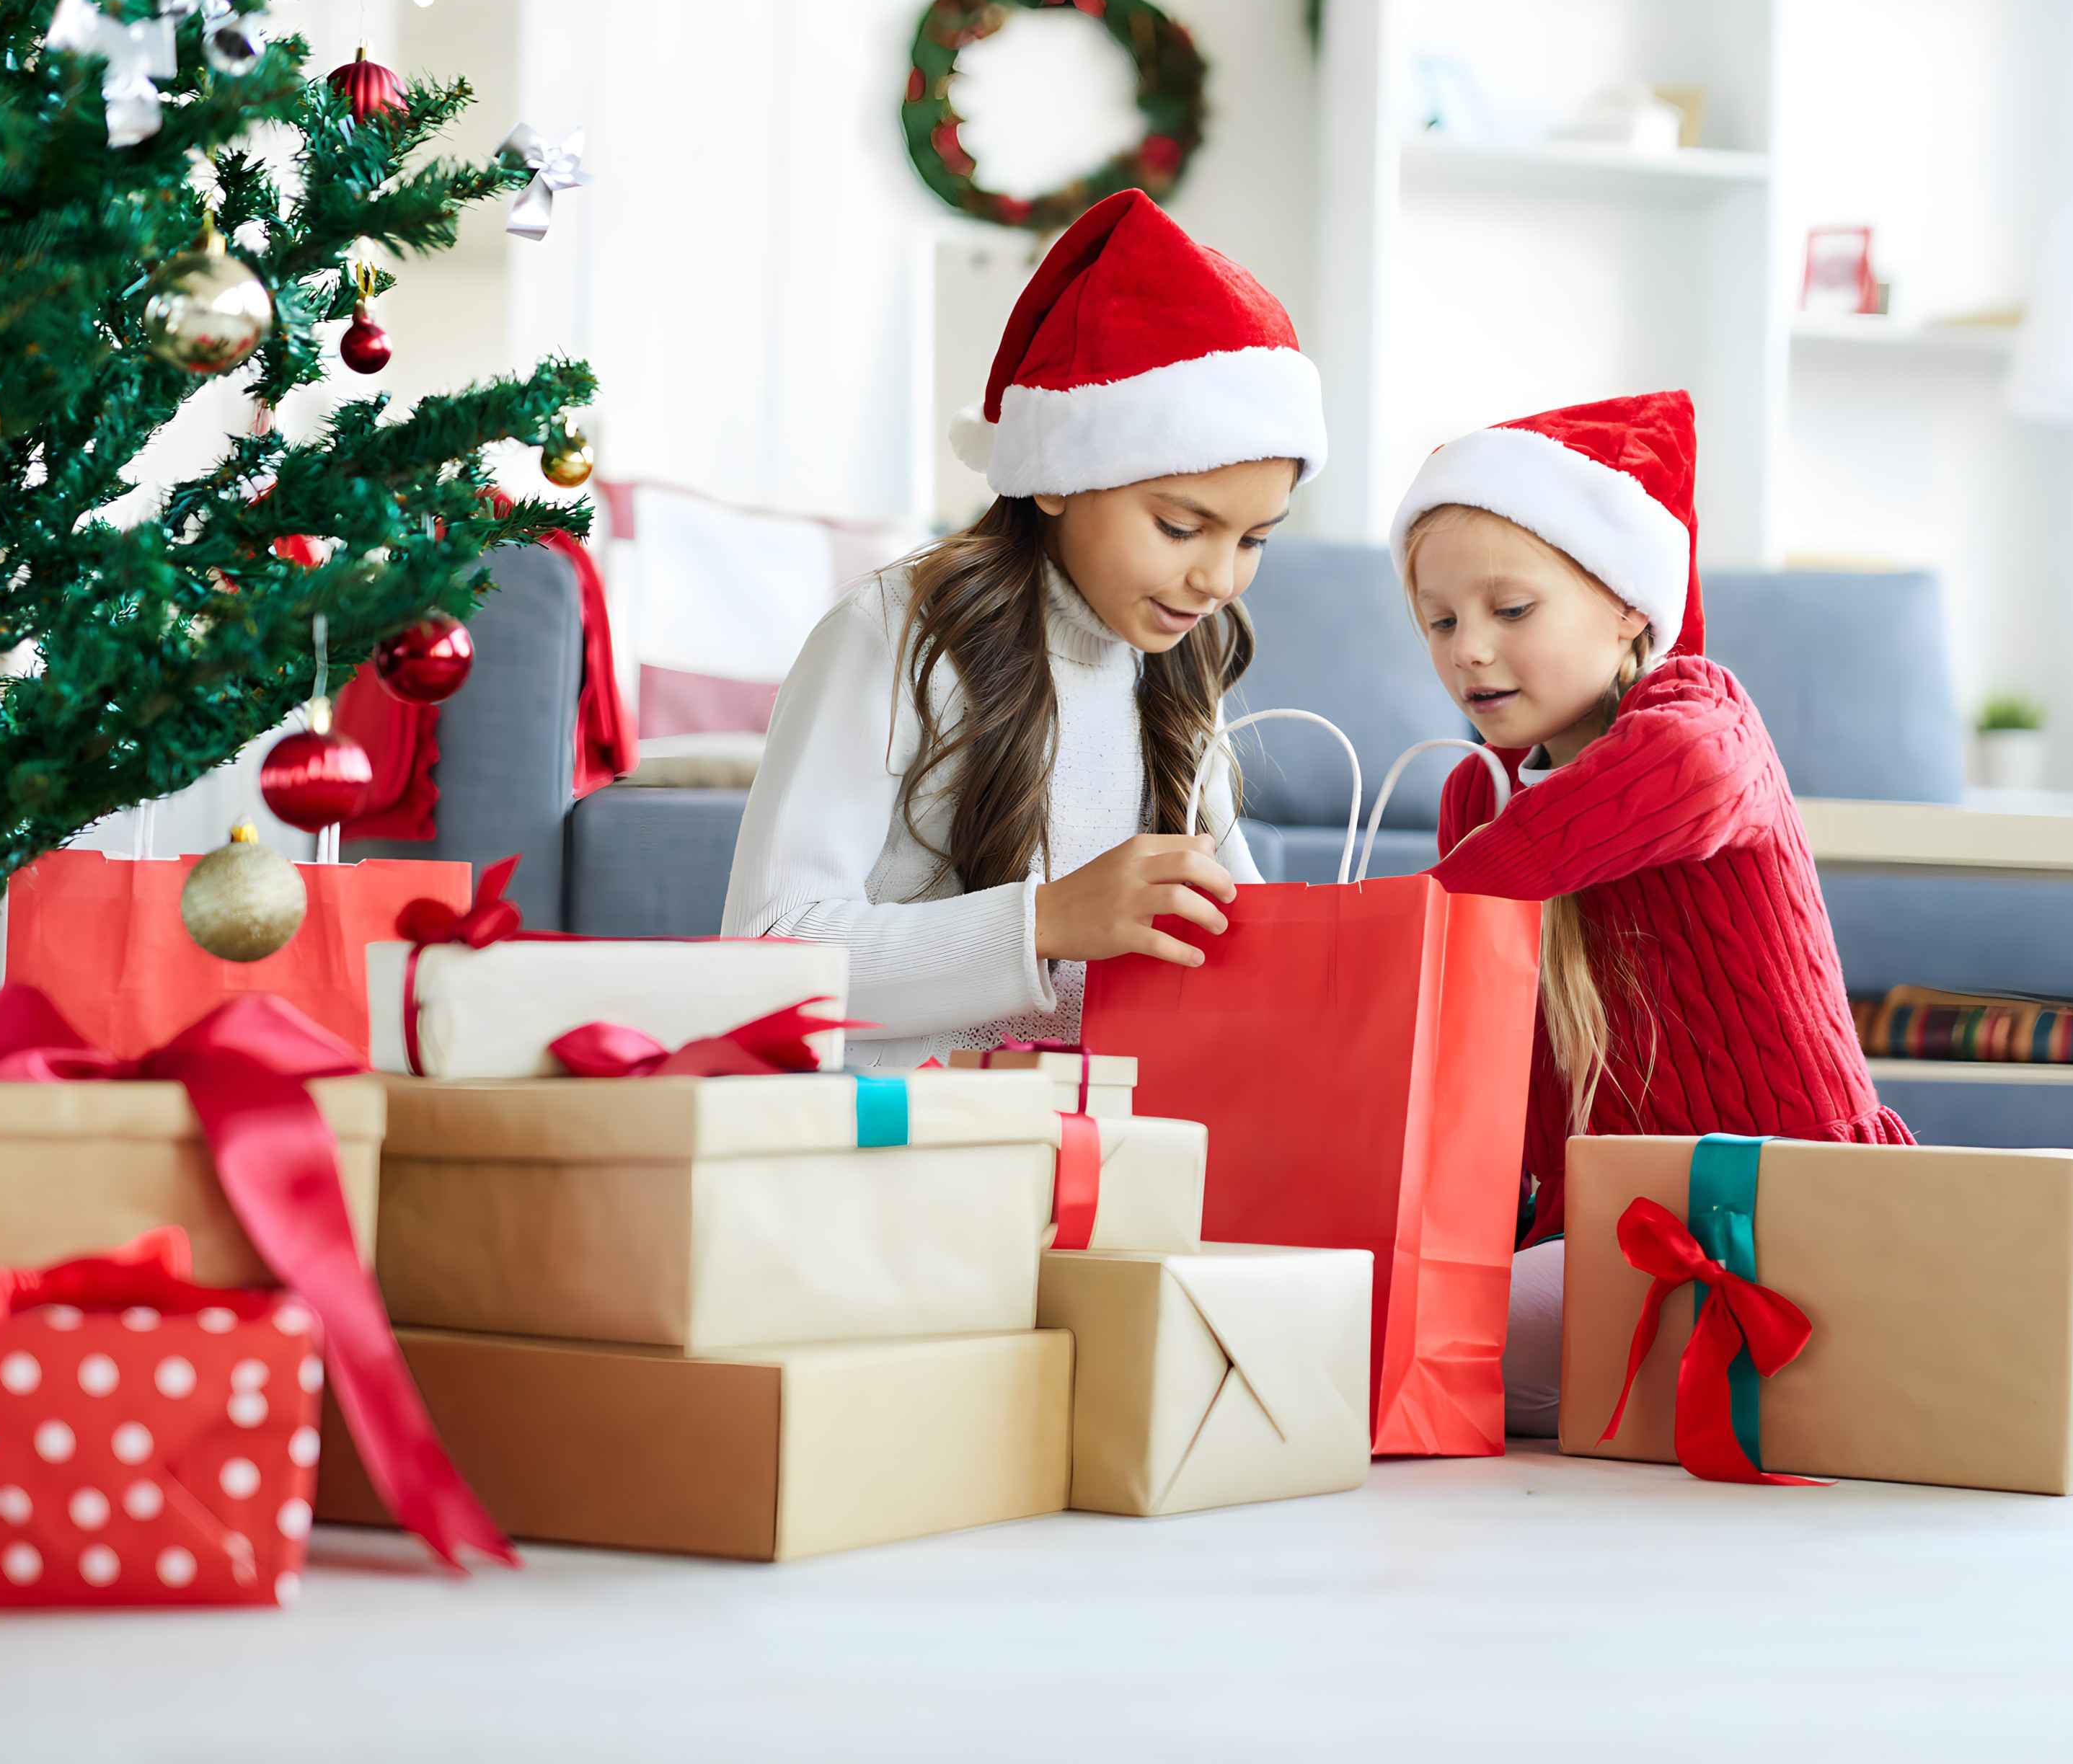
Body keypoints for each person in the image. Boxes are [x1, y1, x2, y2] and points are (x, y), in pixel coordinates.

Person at [1390, 389, 1912, 1436]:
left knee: (1398, 1346)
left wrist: (1382, 926)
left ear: (1628, 603)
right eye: (1441, 620)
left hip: (1792, 1207)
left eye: (1512, 609)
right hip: (1618, 1219)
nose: (1469, 651)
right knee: (1389, 1310)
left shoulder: (1702, 719)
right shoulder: (1478, 794)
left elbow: (1670, 780)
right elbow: (1504, 1063)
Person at [723, 190, 1322, 1071]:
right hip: (909, 1148)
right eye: (1181, 527)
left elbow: (1235, 936)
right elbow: (769, 952)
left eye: (1254, 540)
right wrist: (1045, 924)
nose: (1218, 579)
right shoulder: (891, 634)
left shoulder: (1177, 662)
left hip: (1111, 1154)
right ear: (1058, 473)